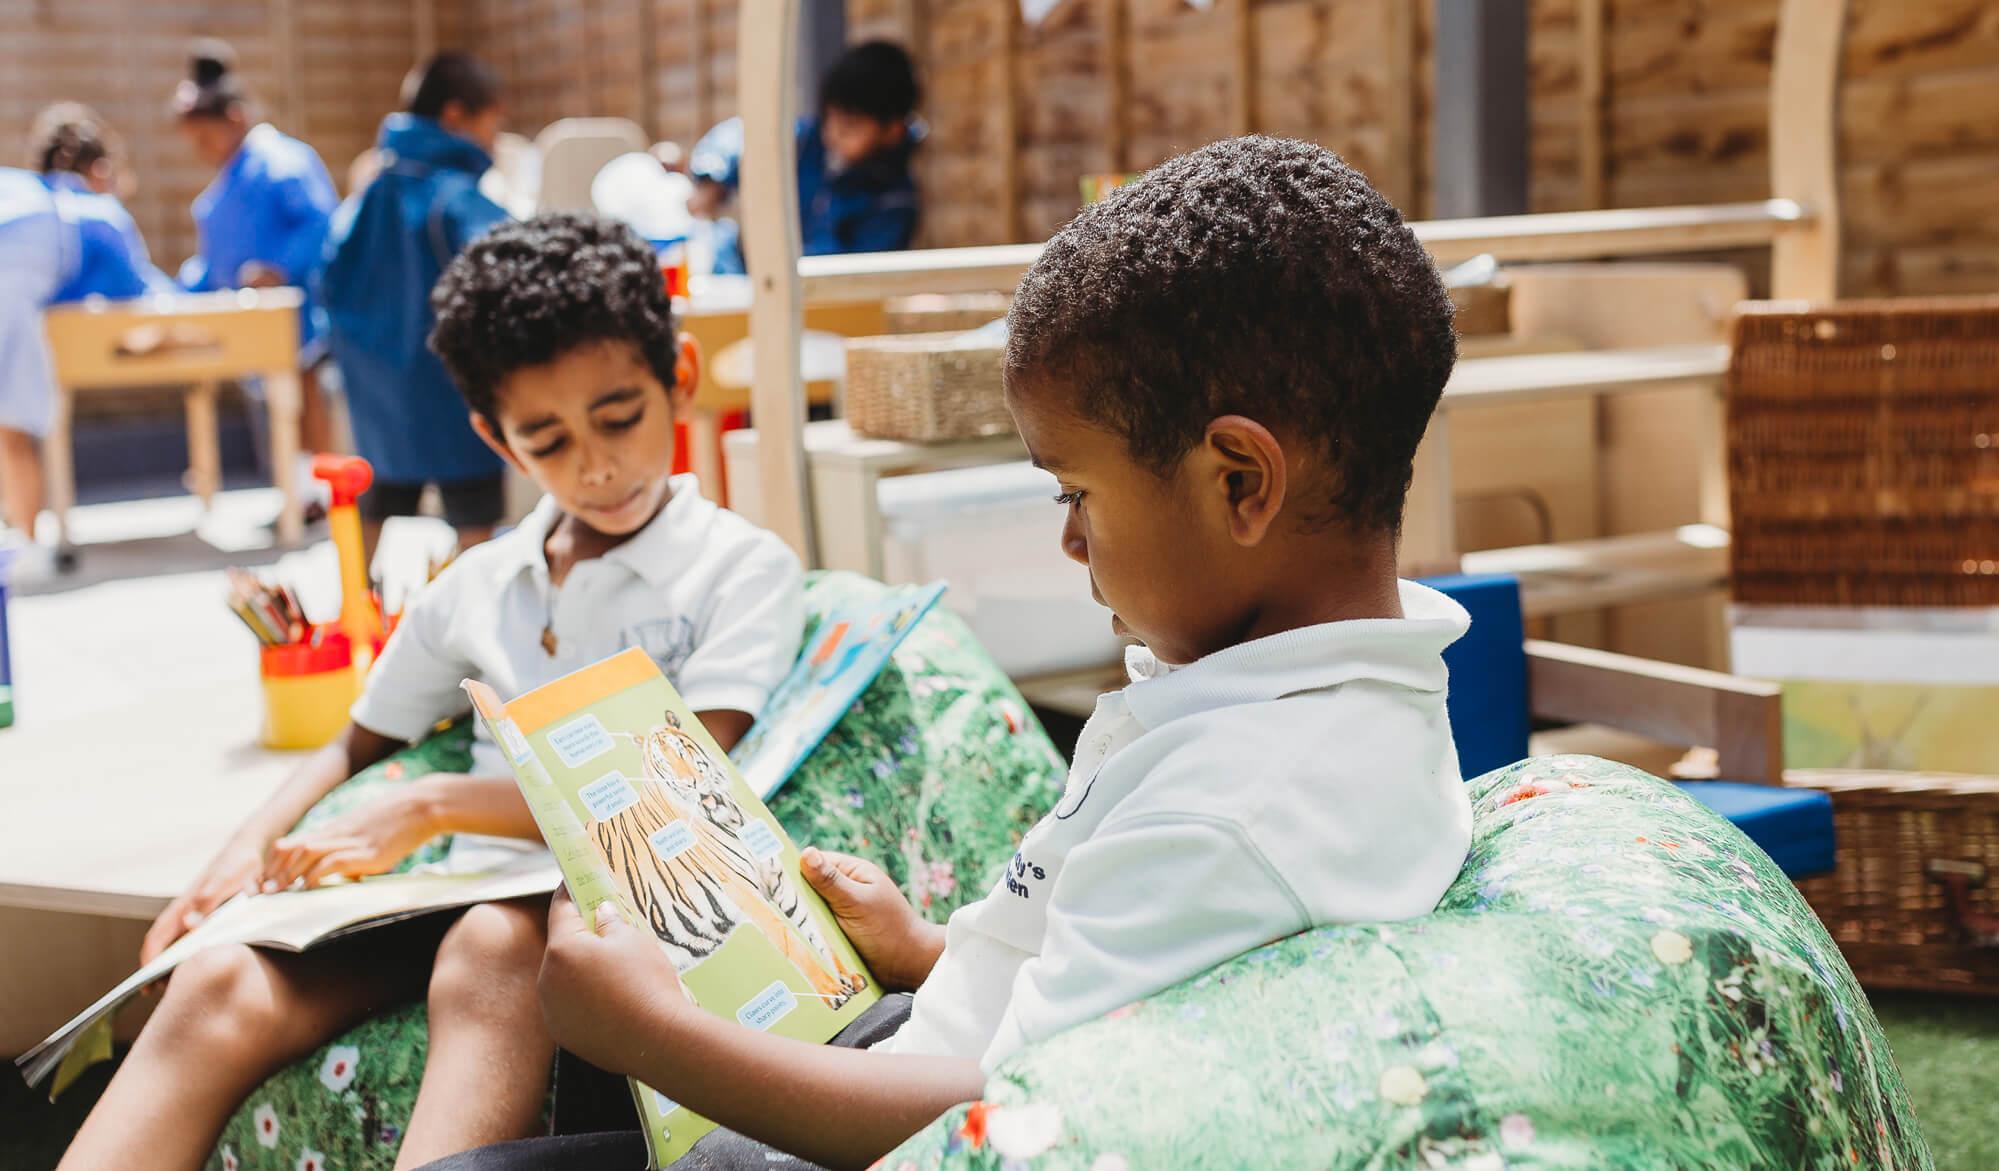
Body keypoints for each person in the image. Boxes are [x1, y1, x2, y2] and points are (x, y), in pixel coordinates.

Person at [422, 135, 1474, 1171]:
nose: (1070, 540)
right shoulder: (1310, 702)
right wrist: (927, 949)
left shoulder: (1230, 812)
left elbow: (1003, 1116)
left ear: (1239, 480)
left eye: (1076, 493)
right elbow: (1104, 989)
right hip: (911, 1046)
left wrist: (656, 1037)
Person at [56, 213, 806, 1171]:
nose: (595, 463)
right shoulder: (477, 585)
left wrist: (432, 803)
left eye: (620, 417)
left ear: (680, 379)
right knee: (217, 984)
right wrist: (240, 855)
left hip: (596, 904)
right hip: (447, 891)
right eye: (548, 439)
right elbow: (355, 741)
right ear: (496, 438)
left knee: (493, 944)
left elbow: (678, 786)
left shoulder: (739, 570)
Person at [321, 52, 511, 562]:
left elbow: (329, 273)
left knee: (376, 498)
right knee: (473, 514)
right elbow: (507, 262)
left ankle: (354, 601)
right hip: (450, 387)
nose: (495, 139)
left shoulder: (372, 188)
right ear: (455, 115)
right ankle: (473, 602)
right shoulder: (454, 195)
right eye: (491, 123)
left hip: (378, 388)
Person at [0, 105, 173, 580]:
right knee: (14, 427)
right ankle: (27, 548)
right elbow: (140, 292)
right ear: (99, 170)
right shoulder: (97, 213)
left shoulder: (16, 189)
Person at [171, 39, 341, 462]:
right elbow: (213, 260)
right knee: (279, 416)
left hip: (299, 317)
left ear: (235, 118)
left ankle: (324, 486)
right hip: (247, 322)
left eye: (206, 137)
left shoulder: (281, 162)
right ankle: (298, 485)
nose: (202, 149)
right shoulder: (227, 181)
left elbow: (320, 222)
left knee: (306, 396)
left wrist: (279, 267)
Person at [688, 40, 923, 274]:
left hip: (810, 288)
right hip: (752, 270)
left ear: (892, 131)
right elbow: (743, 137)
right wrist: (711, 178)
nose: (833, 134)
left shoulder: (893, 203)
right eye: (829, 118)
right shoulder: (805, 141)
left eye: (849, 127)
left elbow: (852, 274)